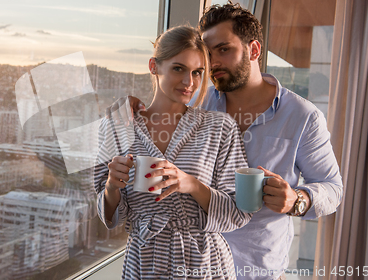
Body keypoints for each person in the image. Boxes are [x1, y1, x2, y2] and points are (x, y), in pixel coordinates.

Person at [107, 3, 343, 280]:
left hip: (256, 270)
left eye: (224, 49)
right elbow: (158, 112)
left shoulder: (302, 117)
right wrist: (130, 107)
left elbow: (333, 189)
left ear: (253, 50)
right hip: (191, 266)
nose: (212, 62)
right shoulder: (196, 100)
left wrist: (296, 200)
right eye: (207, 53)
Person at [94, 25, 252, 280]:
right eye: (179, 68)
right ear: (154, 66)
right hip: (144, 264)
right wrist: (112, 187)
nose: (189, 82)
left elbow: (240, 212)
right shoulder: (118, 125)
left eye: (198, 72)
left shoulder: (220, 128)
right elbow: (109, 216)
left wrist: (190, 184)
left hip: (205, 265)